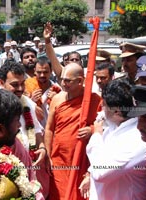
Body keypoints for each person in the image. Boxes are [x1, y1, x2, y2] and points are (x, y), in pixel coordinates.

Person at [79, 78, 146, 200]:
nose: (101, 107)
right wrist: (89, 175)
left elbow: (100, 172)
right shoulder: (113, 126)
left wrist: (96, 135)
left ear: (117, 111)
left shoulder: (137, 140)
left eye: (104, 105)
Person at [44, 62, 101, 200]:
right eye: (62, 79)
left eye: (67, 80)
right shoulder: (57, 100)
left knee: (79, 194)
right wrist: (48, 156)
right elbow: (49, 129)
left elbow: (104, 125)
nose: (63, 83)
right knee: (60, 194)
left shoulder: (93, 100)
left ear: (80, 81)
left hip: (81, 160)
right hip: (59, 159)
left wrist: (91, 129)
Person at [0, 61, 48, 198]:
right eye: (14, 85)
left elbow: (37, 129)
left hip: (30, 166)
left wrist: (42, 147)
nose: (20, 88)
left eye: (22, 83)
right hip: (5, 170)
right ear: (1, 82)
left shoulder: (27, 103)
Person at [25, 57, 61, 127]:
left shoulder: (57, 89)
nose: (42, 75)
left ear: (51, 71)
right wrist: (31, 101)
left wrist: (56, 99)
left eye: (45, 72)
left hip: (53, 128)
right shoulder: (27, 86)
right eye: (39, 72)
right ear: (34, 71)